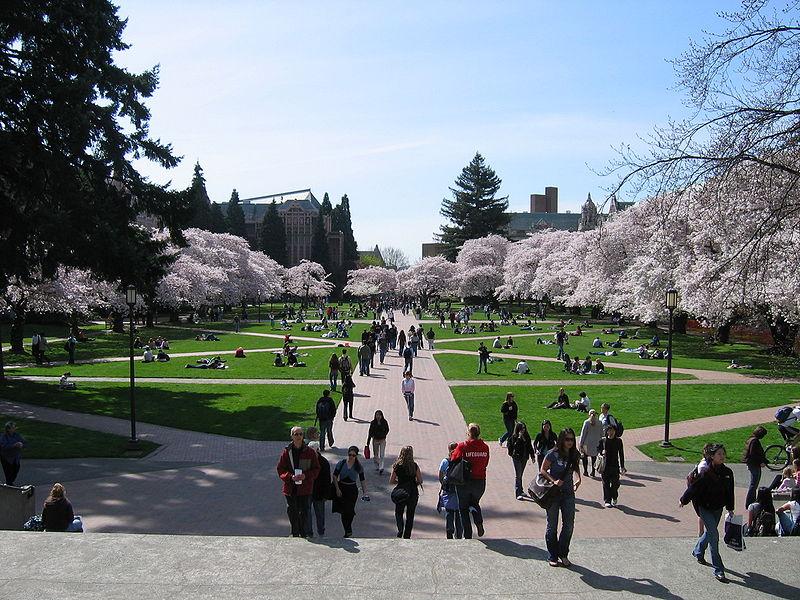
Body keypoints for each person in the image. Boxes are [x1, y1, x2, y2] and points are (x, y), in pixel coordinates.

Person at [679, 443, 735, 583]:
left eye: (723, 453)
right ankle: (718, 569)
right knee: (714, 536)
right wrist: (683, 500)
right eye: (719, 454)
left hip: (718, 508)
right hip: (705, 508)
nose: (722, 456)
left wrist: (730, 507)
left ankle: (698, 551)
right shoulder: (706, 472)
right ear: (712, 456)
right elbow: (694, 488)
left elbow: (730, 491)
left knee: (710, 532)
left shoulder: (728, 473)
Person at [540, 428, 582, 567]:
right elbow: (543, 470)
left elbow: (576, 468)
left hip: (568, 494)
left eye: (572, 439)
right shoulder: (553, 453)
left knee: (569, 525)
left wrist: (578, 478)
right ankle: (553, 555)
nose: (570, 442)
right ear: (562, 440)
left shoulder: (574, 453)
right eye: (567, 439)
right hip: (554, 494)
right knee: (552, 525)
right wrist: (553, 481)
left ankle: (563, 553)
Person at [276, 426, 320, 537]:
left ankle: (303, 532)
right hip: (290, 488)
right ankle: (294, 532)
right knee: (292, 511)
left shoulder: (309, 452)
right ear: (291, 436)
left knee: (304, 511)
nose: (298, 436)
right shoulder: (287, 452)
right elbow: (280, 469)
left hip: (305, 488)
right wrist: (290, 477)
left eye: (300, 434)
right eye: (296, 434)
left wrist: (305, 476)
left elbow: (316, 469)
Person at [450, 423, 490, 539]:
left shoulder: (463, 446)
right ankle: (479, 523)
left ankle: (467, 535)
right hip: (480, 481)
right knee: (474, 502)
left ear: (468, 433)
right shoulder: (485, 447)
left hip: (464, 481)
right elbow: (486, 462)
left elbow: (453, 459)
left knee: (463, 508)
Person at [332, 446, 369, 538]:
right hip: (342, 488)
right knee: (343, 511)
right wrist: (337, 489)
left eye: (353, 455)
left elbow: (362, 480)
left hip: (352, 490)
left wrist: (365, 493)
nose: (351, 456)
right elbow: (335, 476)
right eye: (350, 454)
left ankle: (348, 528)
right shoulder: (342, 463)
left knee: (350, 511)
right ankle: (347, 530)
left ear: (356, 456)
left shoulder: (358, 466)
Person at [389, 446, 423, 538]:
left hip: (401, 491)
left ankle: (400, 529)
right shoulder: (414, 465)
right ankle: (407, 535)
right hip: (412, 492)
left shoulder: (397, 465)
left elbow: (391, 481)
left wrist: (399, 482)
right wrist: (413, 483)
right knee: (410, 514)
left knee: (398, 512)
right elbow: (420, 480)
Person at [598, 424, 626, 507]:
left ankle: (614, 496)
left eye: (612, 430)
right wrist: (601, 452)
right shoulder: (603, 441)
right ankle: (607, 500)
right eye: (609, 430)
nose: (611, 432)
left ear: (615, 431)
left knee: (615, 483)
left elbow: (621, 454)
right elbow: (598, 449)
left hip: (615, 466)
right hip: (605, 466)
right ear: (606, 431)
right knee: (605, 483)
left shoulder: (618, 441)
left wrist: (622, 466)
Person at [307, 441, 330, 537]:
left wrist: (326, 494)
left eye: (313, 451)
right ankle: (309, 532)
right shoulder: (306, 461)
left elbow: (327, 480)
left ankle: (321, 532)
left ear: (317, 450)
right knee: (307, 512)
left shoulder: (324, 462)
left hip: (319, 493)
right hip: (307, 491)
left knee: (320, 514)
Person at [742, 426, 768, 509]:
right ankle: (750, 502)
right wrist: (761, 462)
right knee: (754, 484)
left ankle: (751, 501)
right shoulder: (754, 441)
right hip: (754, 464)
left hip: (752, 463)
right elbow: (753, 454)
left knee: (754, 484)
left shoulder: (751, 439)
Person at [508, 421, 535, 500]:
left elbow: (530, 446)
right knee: (518, 475)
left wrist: (532, 456)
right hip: (517, 458)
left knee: (521, 475)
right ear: (518, 429)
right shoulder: (514, 437)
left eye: (524, 428)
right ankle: (517, 493)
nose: (523, 430)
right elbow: (515, 447)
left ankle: (521, 490)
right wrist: (519, 438)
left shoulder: (526, 436)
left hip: (524, 457)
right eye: (522, 428)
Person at [578, 410, 603, 477]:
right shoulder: (600, 423)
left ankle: (585, 471)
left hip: (586, 443)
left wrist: (580, 443)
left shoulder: (586, 422)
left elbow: (583, 434)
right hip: (596, 443)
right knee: (594, 458)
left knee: (584, 457)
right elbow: (602, 434)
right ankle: (593, 471)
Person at [366, 410, 389, 475]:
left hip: (382, 440)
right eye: (377, 415)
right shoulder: (373, 423)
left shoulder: (384, 422)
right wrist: (368, 442)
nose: (378, 416)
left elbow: (387, 429)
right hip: (375, 440)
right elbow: (370, 432)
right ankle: (377, 465)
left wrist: (384, 435)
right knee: (376, 454)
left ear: (382, 416)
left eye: (379, 415)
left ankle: (381, 467)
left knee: (382, 454)